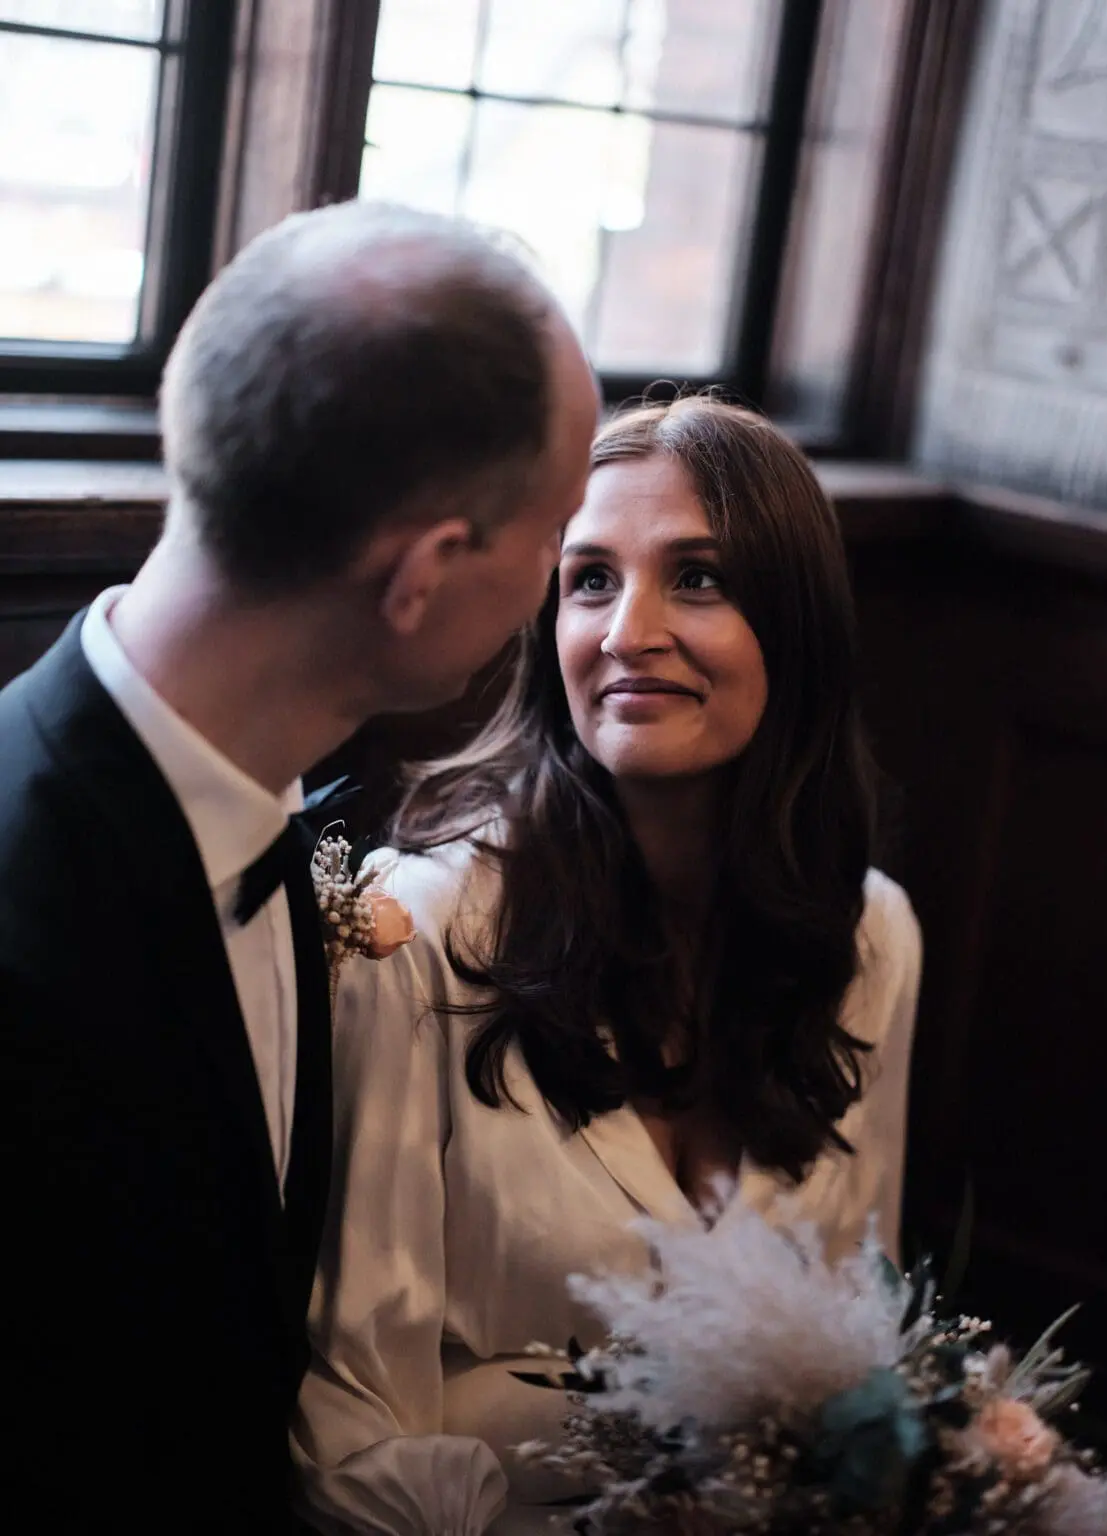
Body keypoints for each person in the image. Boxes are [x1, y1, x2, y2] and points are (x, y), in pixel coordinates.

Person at [0, 200, 599, 1533]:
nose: (563, 581)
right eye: (557, 530)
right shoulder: (24, 932)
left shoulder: (298, 818)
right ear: (428, 574)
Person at [293, 397, 923, 1536]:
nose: (629, 629)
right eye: (589, 579)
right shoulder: (415, 936)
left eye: (698, 579)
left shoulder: (871, 938)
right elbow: (350, 1439)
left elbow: (847, 1362)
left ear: (798, 625)